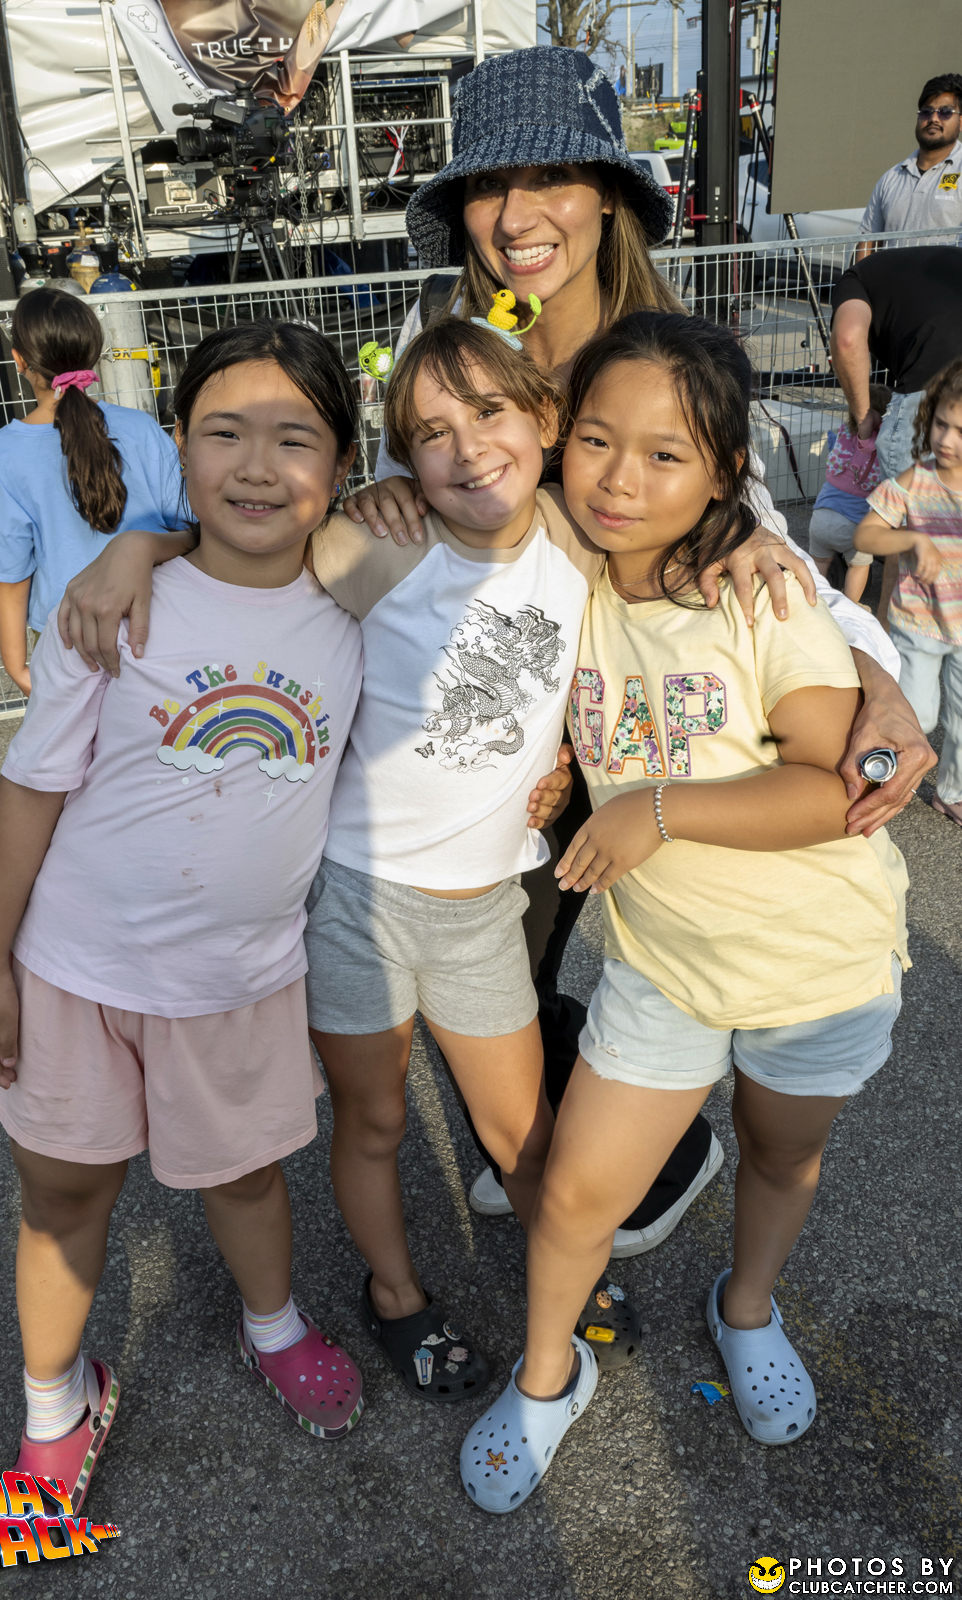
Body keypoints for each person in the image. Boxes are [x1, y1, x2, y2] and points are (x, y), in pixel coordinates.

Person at [47, 314, 815, 1401]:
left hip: (480, 908)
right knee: (373, 1120)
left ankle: (569, 1272)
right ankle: (396, 1291)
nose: (466, 448)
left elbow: (686, 519)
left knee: (522, 1130)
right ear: (401, 457)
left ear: (545, 421)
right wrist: (139, 545)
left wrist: (758, 537)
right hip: (352, 901)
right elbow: (245, 546)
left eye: (490, 413)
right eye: (430, 432)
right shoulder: (379, 546)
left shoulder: (579, 536)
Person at [345, 45, 931, 1244]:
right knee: (486, 967)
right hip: (489, 727)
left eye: (551, 178)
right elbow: (413, 473)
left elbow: (761, 548)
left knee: (562, 959)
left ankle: (640, 1159)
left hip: (625, 728)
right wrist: (383, 488)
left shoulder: (663, 345)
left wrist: (878, 683)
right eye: (488, 186)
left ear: (609, 194)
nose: (517, 217)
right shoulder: (447, 324)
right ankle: (559, 1142)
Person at [459, 312, 908, 1513]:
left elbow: (833, 788)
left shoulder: (759, 594)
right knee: (574, 1193)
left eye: (665, 454)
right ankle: (547, 1375)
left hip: (817, 963)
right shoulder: (564, 584)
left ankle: (745, 1306)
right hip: (664, 969)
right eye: (596, 440)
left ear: (724, 473)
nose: (620, 478)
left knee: (779, 1150)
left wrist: (654, 810)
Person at [0, 321, 366, 1509]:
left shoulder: (363, 595)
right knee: (63, 1194)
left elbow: (508, 528)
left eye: (296, 438)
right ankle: (53, 1399)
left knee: (243, 1176)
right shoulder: (106, 609)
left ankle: (272, 1322)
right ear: (176, 446)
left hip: (238, 980)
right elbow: (29, 790)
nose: (258, 466)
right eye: (225, 433)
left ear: (343, 465)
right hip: (73, 971)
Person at [0, 288, 182, 696]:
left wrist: (17, 665)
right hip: (156, 619)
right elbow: (188, 524)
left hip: (66, 635)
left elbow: (9, 571)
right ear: (94, 353)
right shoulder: (141, 427)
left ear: (19, 360)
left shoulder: (4, 452)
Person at [855, 358, 962, 826]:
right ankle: (884, 775)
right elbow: (865, 535)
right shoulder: (915, 481)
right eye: (940, 424)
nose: (946, 440)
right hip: (918, 624)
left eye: (960, 431)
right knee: (918, 715)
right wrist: (912, 539)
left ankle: (952, 792)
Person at [830, 242, 962, 623]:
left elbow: (848, 338)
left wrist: (863, 416)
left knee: (904, 534)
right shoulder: (942, 262)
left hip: (929, 395)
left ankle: (891, 646)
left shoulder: (854, 279)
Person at [855, 74, 962, 261]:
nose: (933, 119)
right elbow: (868, 241)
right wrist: (861, 278)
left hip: (947, 280)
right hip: (892, 280)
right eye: (926, 112)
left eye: (945, 112)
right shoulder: (891, 178)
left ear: (961, 122)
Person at [807, 383, 892, 604]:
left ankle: (813, 602)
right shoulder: (883, 447)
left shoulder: (844, 434)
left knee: (818, 564)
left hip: (820, 517)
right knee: (859, 566)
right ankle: (849, 606)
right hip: (853, 526)